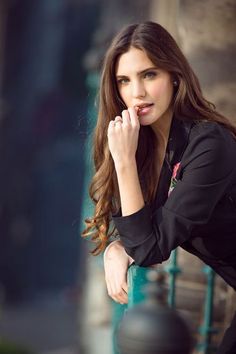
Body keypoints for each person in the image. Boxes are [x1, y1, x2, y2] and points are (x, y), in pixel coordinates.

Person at [82, 21, 236, 353]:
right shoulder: (147, 148)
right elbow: (142, 237)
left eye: (149, 75)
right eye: (124, 80)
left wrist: (122, 162)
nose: (136, 93)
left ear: (174, 76)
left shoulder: (209, 145)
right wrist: (116, 247)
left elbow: (150, 249)